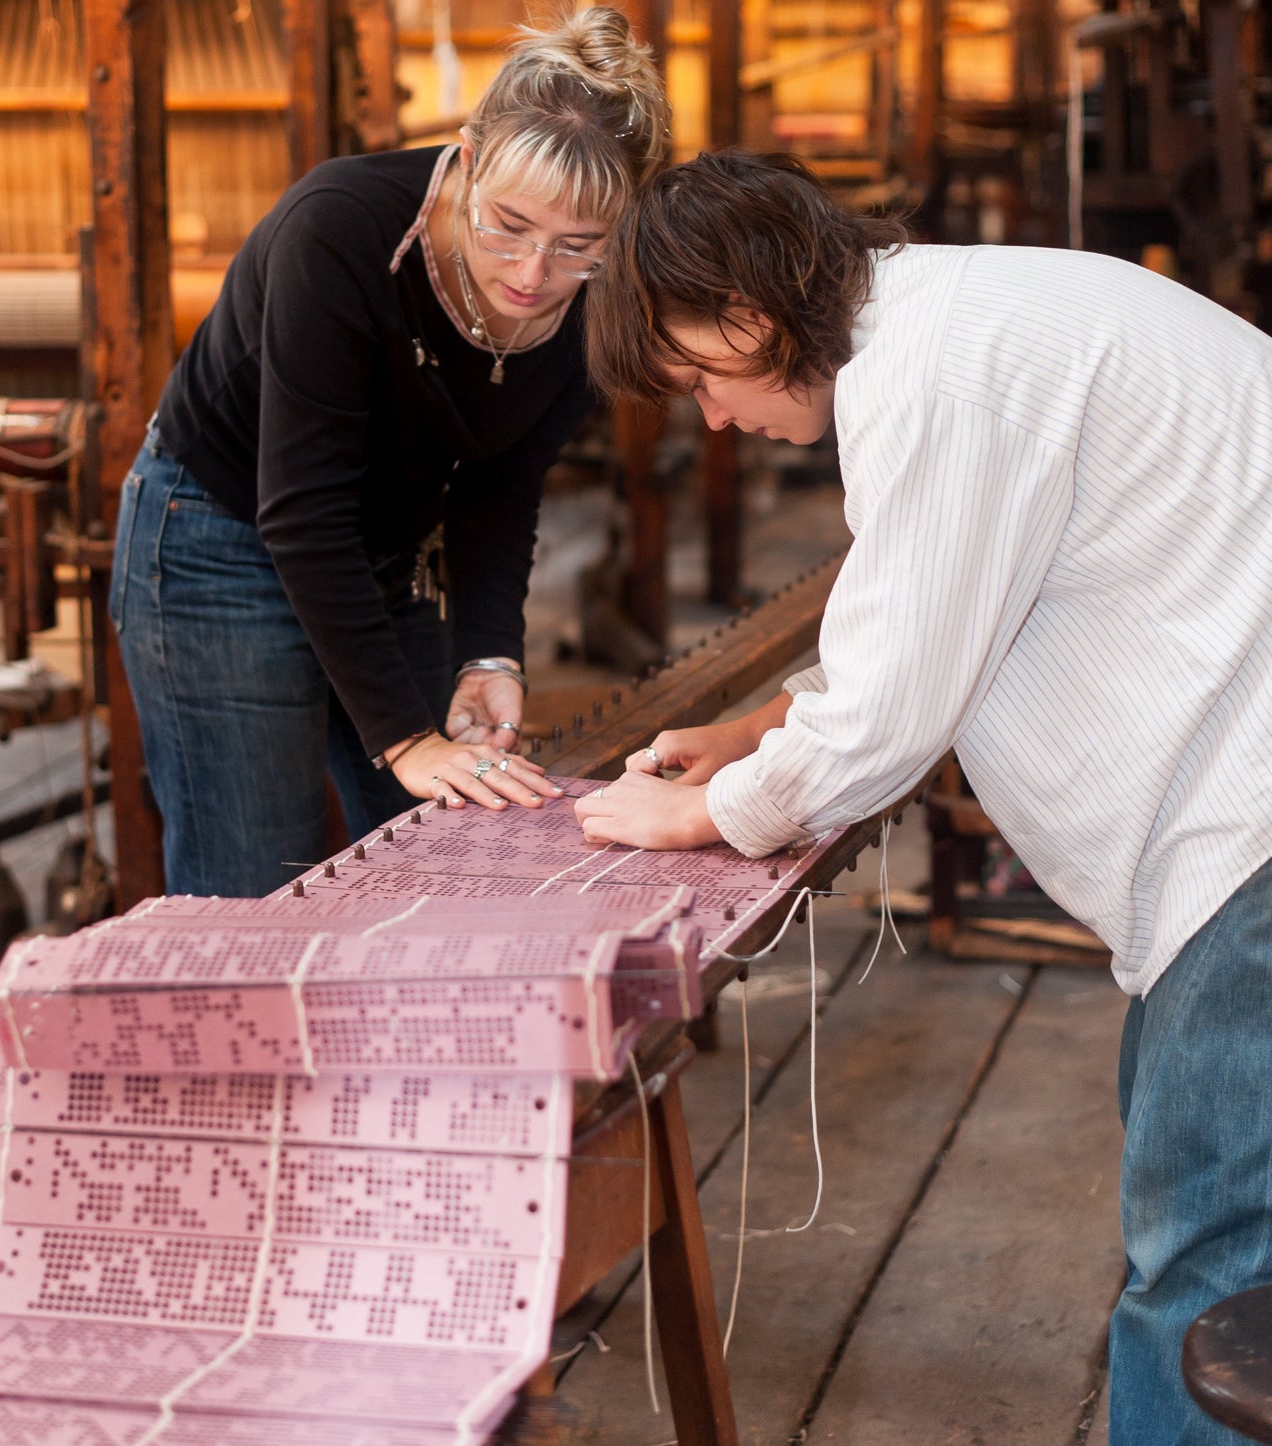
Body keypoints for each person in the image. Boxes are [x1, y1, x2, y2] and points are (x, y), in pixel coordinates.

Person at [575, 148, 1272, 1445]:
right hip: (1239, 814)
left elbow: (895, 706)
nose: (714, 419)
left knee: (1209, 1264)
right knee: (1210, 1215)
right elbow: (923, 604)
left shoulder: (933, 369)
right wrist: (755, 730)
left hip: (1252, 824)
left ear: (747, 317)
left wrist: (710, 814)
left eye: (701, 380)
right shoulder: (945, 319)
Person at [108, 8, 669, 897]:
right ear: (470, 160)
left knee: (439, 849)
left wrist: (490, 656)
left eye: (576, 248)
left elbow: (502, 479)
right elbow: (301, 509)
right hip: (221, 533)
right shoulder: (339, 228)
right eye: (508, 226)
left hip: (381, 549)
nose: (531, 275)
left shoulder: (606, 297)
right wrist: (407, 739)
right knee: (260, 876)